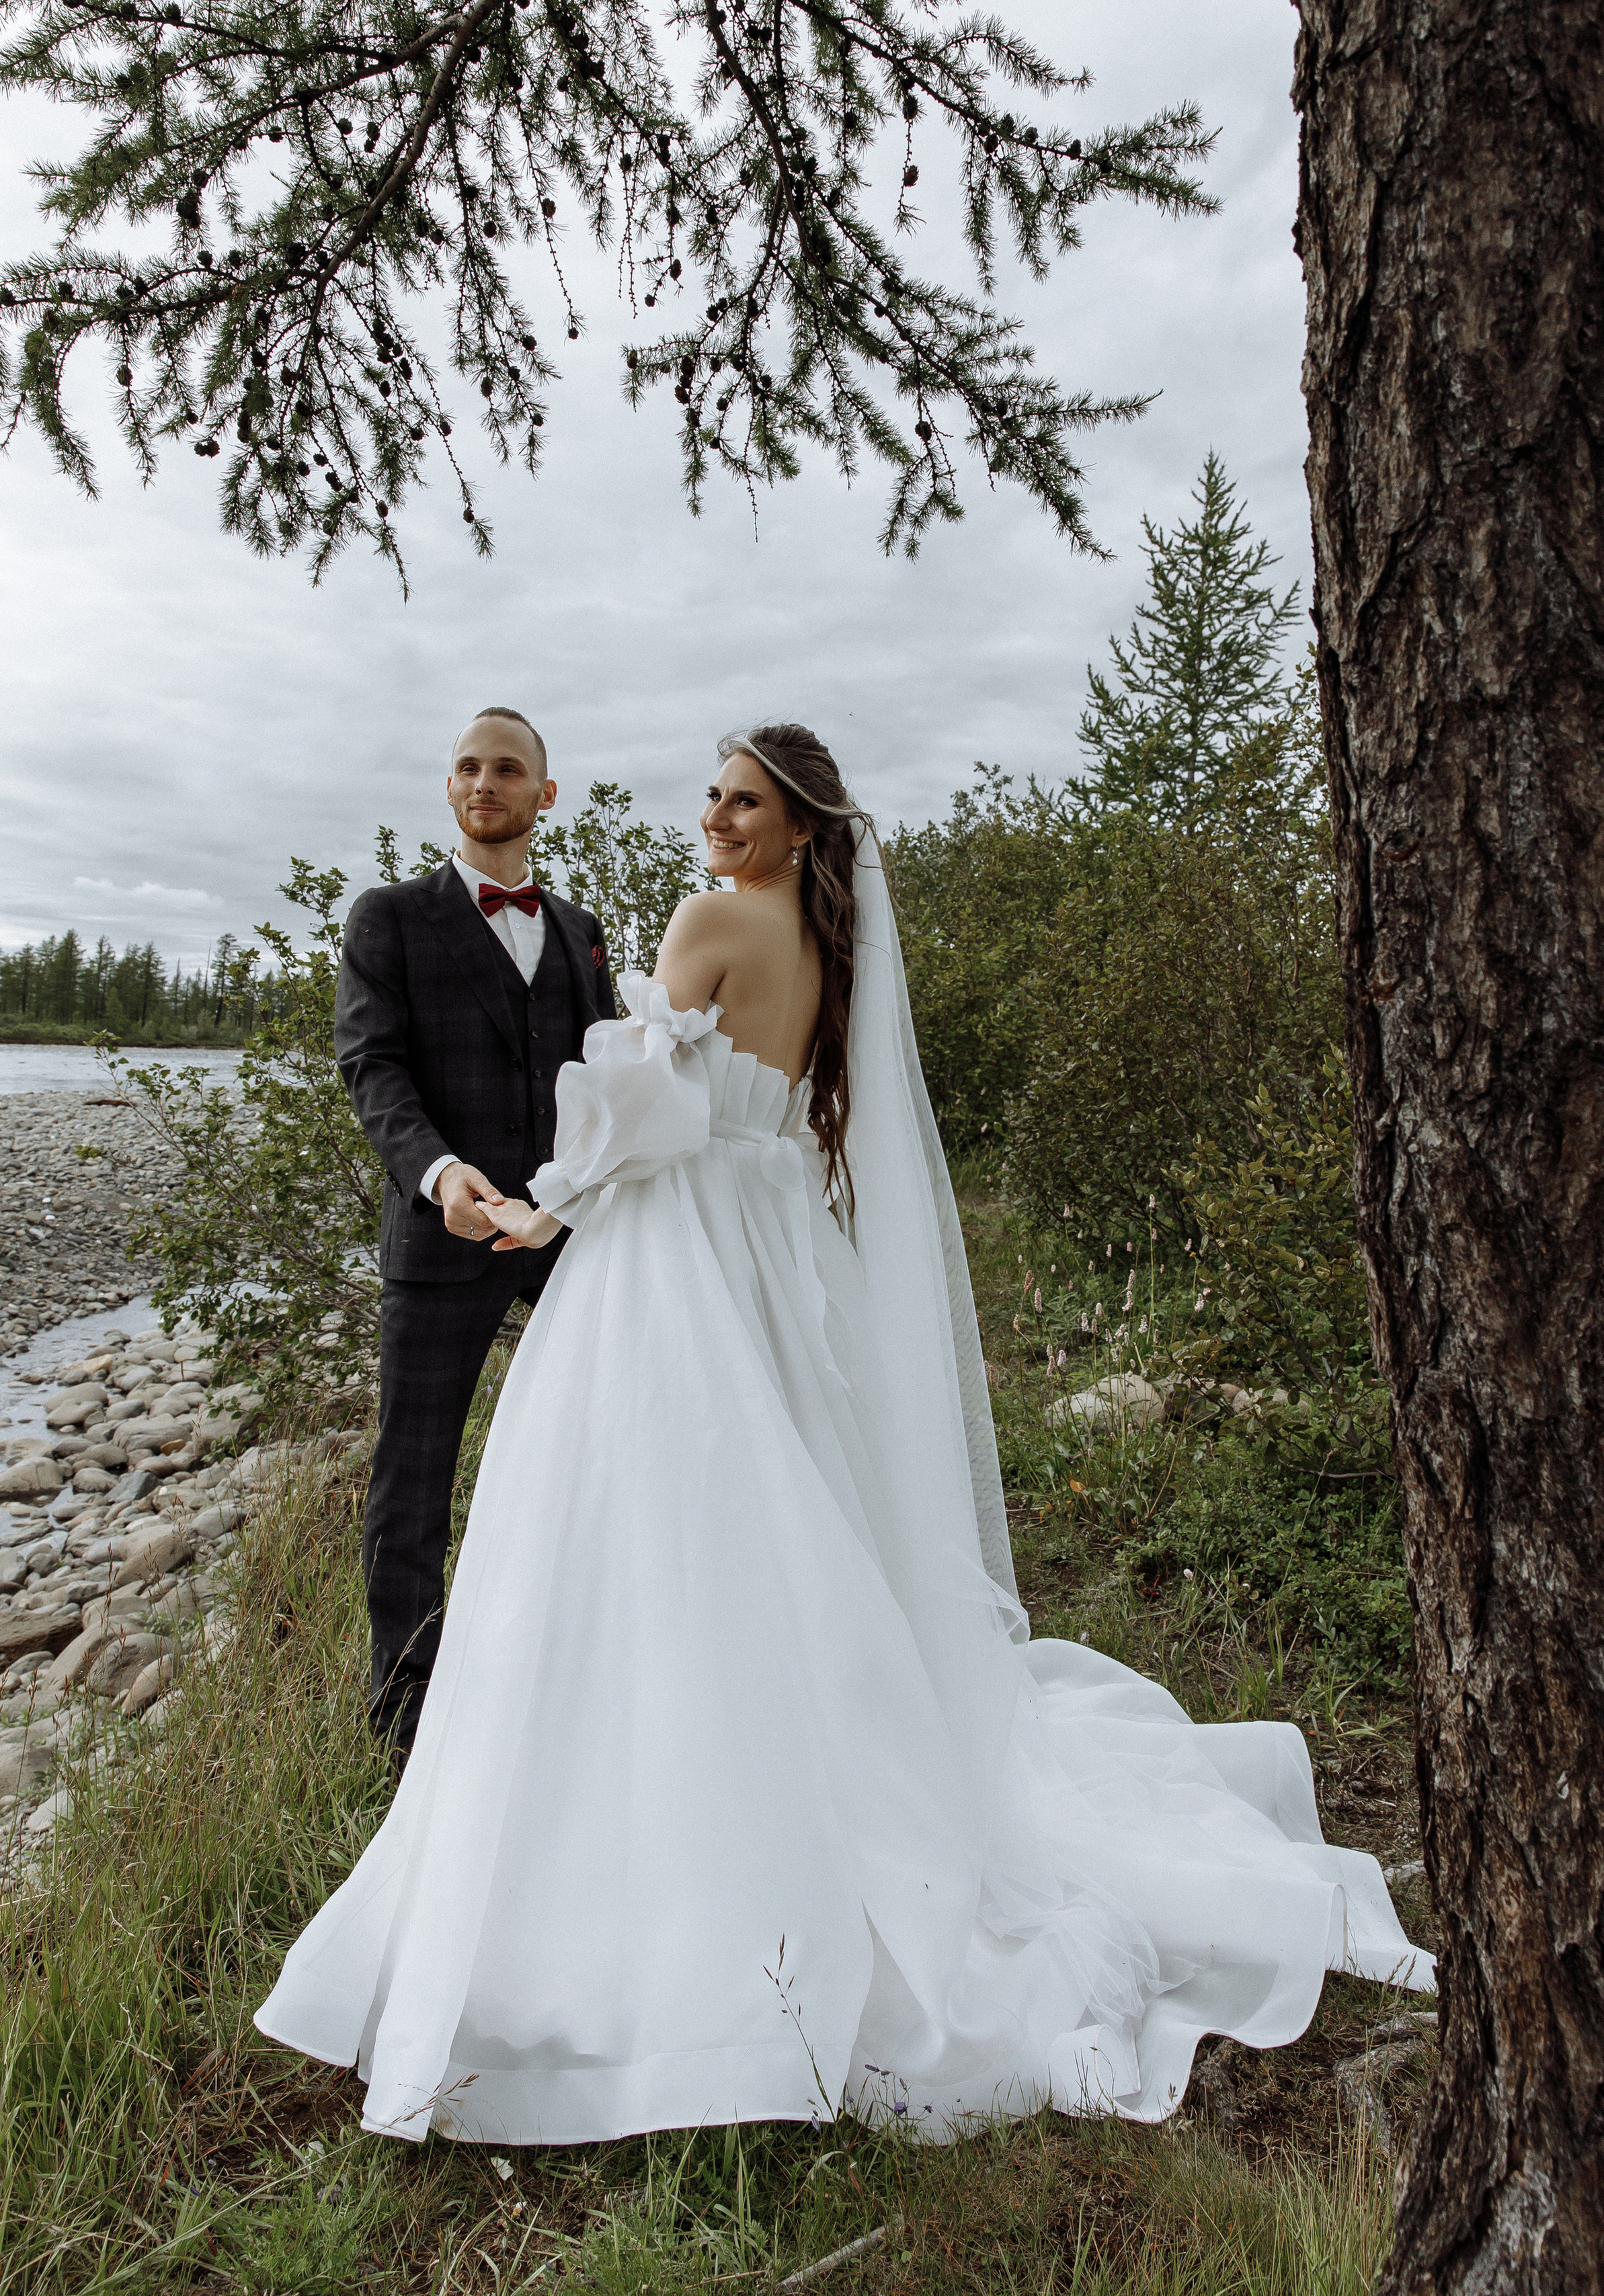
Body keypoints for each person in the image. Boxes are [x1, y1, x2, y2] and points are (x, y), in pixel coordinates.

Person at [259, 721, 1431, 2144]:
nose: (715, 817)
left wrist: (536, 1203)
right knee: (777, 1511)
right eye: (710, 795)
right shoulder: (827, 951)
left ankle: (645, 1838)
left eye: (741, 801)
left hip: (673, 1247)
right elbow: (753, 1110)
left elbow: (637, 1119)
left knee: (636, 1513)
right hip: (766, 1242)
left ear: (799, 824)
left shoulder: (699, 922)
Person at [333, 707, 614, 1756]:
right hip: (442, 1236)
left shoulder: (581, 928)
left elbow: (604, 1079)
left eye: (507, 769)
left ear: (546, 794)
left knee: (608, 1444)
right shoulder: (389, 918)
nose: (483, 781)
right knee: (413, 1476)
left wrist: (583, 1192)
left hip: (569, 1238)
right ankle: (407, 1720)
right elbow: (373, 1067)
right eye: (467, 766)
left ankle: (580, 1670)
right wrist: (441, 1174)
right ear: (448, 789)